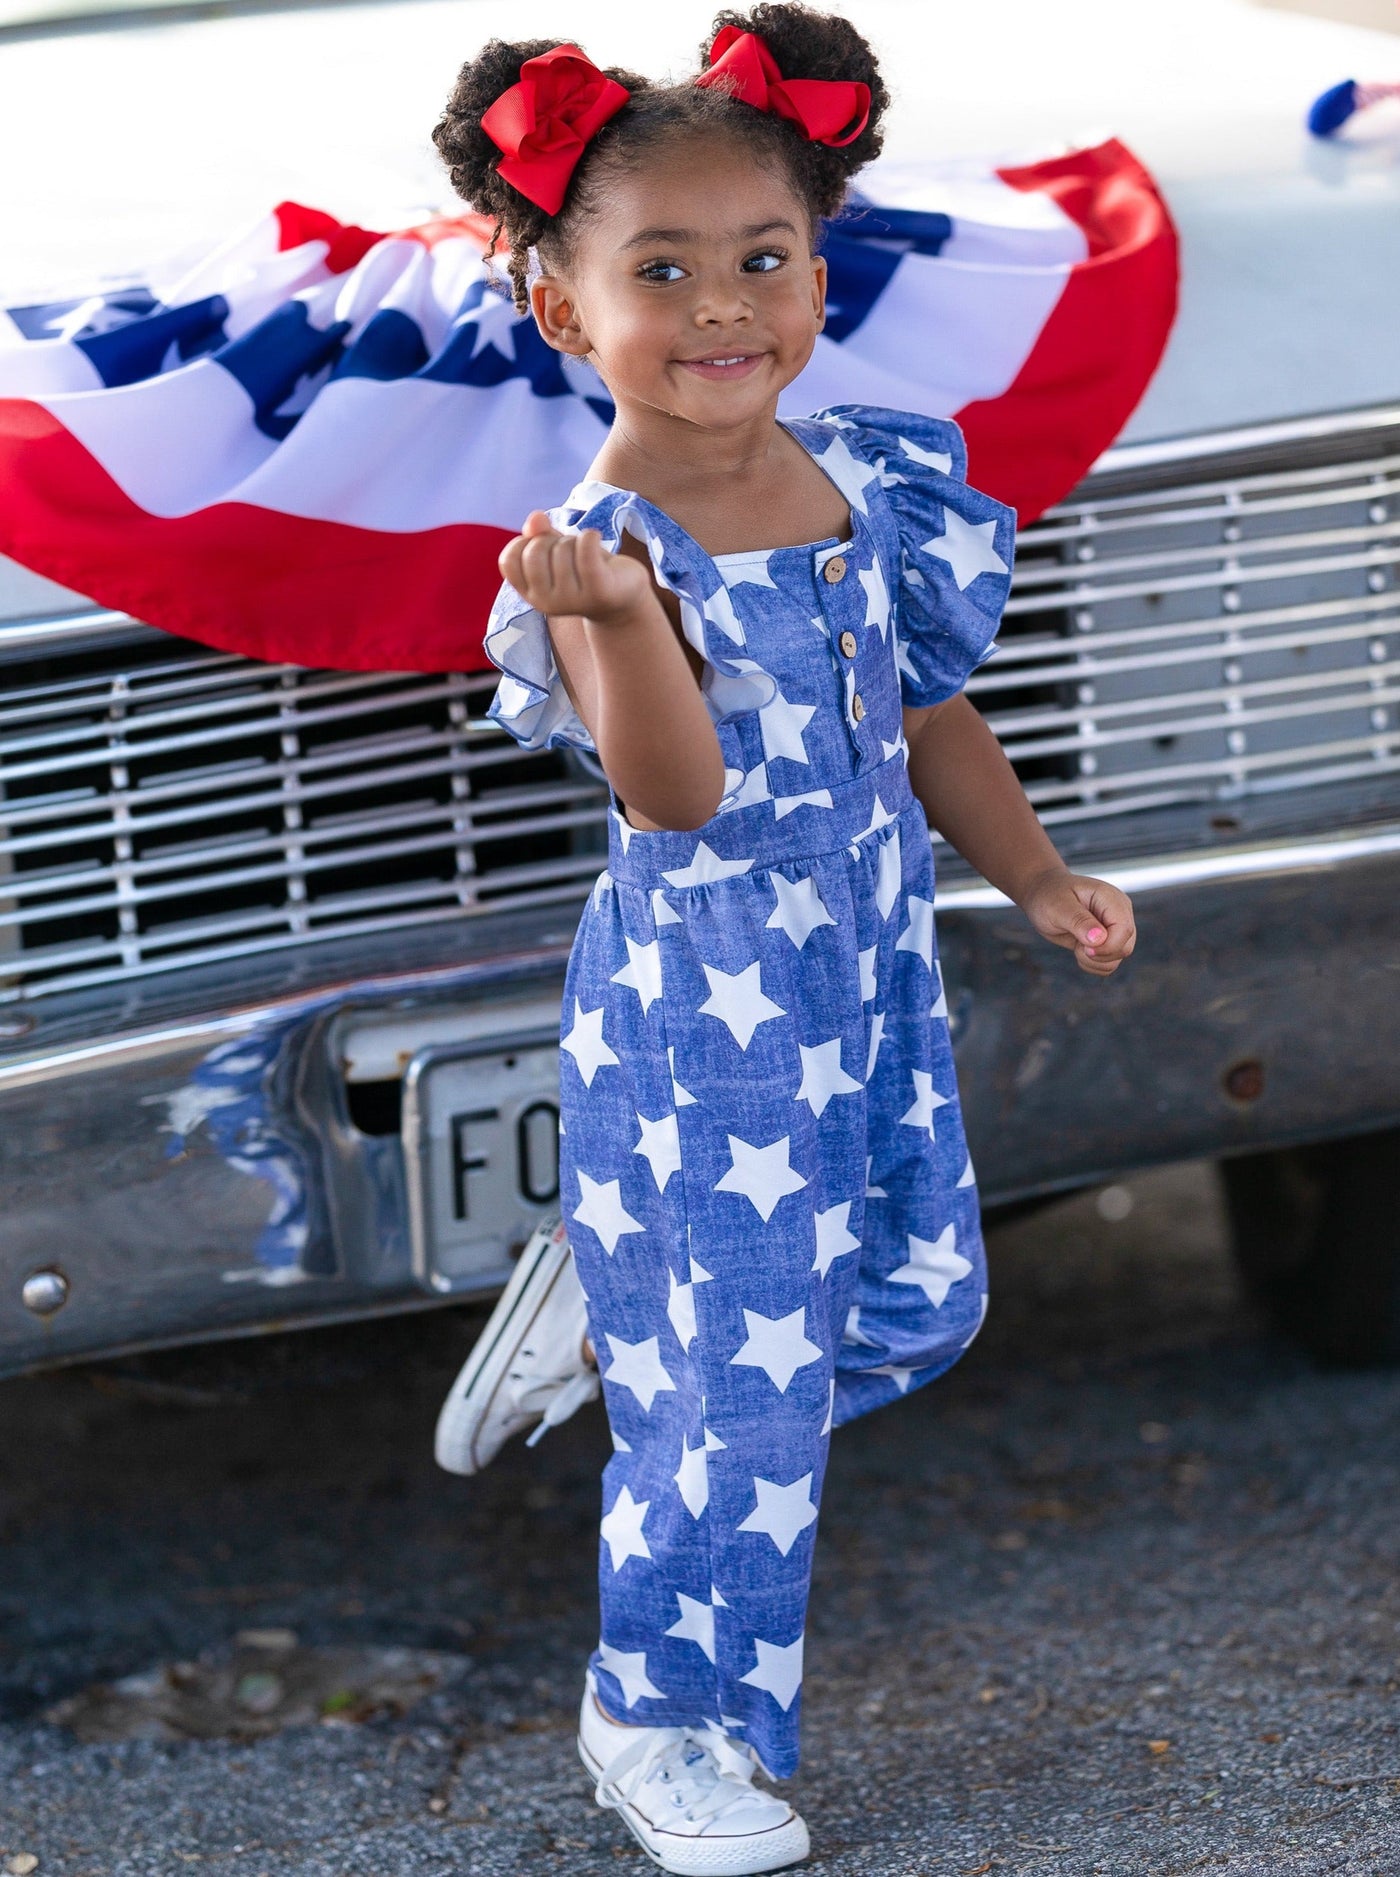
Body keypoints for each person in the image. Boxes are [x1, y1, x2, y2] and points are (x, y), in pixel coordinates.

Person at [429, 9, 1137, 1872]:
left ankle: (620, 1278)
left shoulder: (863, 480)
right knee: (739, 1413)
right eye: (659, 269)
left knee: (917, 1297)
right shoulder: (598, 547)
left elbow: (927, 718)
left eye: (762, 260)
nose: (724, 305)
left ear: (819, 277)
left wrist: (1042, 877)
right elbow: (673, 797)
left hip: (868, 982)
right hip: (704, 1014)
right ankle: (661, 1718)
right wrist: (628, 621)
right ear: (565, 310)